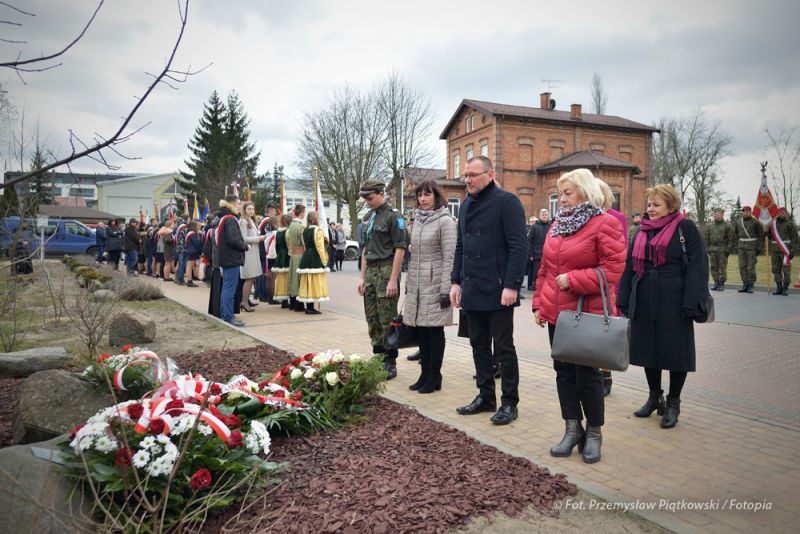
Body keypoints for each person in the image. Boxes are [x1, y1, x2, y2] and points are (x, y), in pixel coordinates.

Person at [532, 170, 626, 463]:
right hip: (557, 315)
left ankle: (594, 432)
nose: (561, 199)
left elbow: (613, 268)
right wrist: (538, 304)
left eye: (567, 193)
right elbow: (545, 268)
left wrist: (573, 280)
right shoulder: (558, 224)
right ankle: (572, 429)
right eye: (559, 193)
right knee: (563, 373)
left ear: (585, 192)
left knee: (587, 376)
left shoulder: (605, 223)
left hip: (587, 312)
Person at [617, 184, 709, 430]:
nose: (651, 209)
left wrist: (691, 301)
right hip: (644, 295)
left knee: (675, 352)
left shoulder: (685, 228)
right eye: (649, 204)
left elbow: (698, 265)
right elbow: (630, 266)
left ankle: (673, 402)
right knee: (648, 349)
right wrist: (623, 297)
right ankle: (654, 396)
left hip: (674, 299)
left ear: (671, 205)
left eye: (656, 204)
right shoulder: (641, 230)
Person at [450, 156, 527, 425]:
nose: (467, 180)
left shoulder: (507, 202)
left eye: (473, 175)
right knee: (478, 344)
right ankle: (485, 396)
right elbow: (461, 247)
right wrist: (456, 281)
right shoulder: (466, 204)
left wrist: (511, 285)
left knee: (504, 347)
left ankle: (509, 402)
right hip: (472, 287)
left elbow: (518, 247)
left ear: (490, 174)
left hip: (498, 289)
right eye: (465, 175)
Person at [403, 180, 456, 394]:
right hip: (417, 283)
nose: (423, 199)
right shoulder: (418, 220)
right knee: (422, 331)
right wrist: (409, 284)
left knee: (434, 331)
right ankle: (425, 374)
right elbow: (414, 256)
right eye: (420, 195)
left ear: (436, 195)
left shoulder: (445, 221)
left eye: (427, 194)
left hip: (436, 284)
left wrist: (445, 289)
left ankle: (434, 376)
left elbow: (449, 257)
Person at [356, 180, 407, 380]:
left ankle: (390, 361)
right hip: (370, 271)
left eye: (370, 198)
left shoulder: (394, 216)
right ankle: (378, 355)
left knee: (387, 319)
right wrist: (361, 277)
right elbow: (365, 249)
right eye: (365, 199)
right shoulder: (368, 217)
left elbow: (400, 249)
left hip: (386, 270)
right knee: (372, 318)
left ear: (380, 194)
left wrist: (393, 279)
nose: (367, 202)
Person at [596, 179, 629, 397]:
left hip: (609, 281)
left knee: (605, 329)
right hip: (587, 279)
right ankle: (591, 372)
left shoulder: (617, 217)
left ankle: (606, 374)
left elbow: (620, 252)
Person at [216, 195, 247, 327]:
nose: (240, 206)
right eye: (239, 204)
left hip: (227, 257)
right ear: (232, 204)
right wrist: (245, 246)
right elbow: (233, 239)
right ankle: (227, 316)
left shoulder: (225, 217)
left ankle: (226, 314)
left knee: (227, 288)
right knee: (229, 289)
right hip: (231, 258)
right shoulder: (230, 219)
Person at [297, 211, 329, 313]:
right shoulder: (318, 231)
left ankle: (309, 306)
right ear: (315, 219)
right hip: (315, 257)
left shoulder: (304, 231)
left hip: (306, 256)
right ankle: (310, 308)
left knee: (307, 281)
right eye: (318, 218)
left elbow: (304, 245)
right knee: (314, 282)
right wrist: (324, 261)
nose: (319, 219)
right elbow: (320, 247)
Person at [238, 201, 266, 312]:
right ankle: (244, 302)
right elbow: (244, 239)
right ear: (244, 210)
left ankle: (246, 300)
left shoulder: (251, 221)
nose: (251, 211)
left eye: (252, 209)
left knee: (252, 277)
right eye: (249, 209)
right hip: (248, 253)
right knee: (249, 278)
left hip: (254, 252)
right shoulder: (243, 222)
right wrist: (259, 239)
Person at [702, 207, 735, 291]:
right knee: (713, 267)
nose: (716, 215)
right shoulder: (709, 225)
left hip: (722, 250)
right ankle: (716, 282)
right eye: (715, 214)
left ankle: (721, 283)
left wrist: (728, 250)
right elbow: (706, 238)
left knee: (722, 267)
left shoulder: (727, 225)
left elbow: (731, 239)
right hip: (712, 249)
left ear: (722, 215)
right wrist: (707, 249)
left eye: (717, 214)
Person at [734, 206, 764, 293]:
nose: (745, 213)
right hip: (741, 247)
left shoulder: (756, 222)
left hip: (752, 247)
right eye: (744, 211)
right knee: (742, 266)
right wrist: (736, 246)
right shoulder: (738, 222)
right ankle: (745, 284)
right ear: (742, 212)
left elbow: (761, 235)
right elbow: (735, 234)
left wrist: (759, 247)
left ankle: (751, 285)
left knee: (751, 267)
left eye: (747, 211)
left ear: (750, 212)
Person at [769, 207, 798, 295]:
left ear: (786, 214)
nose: (781, 214)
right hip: (775, 250)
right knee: (775, 269)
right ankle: (779, 287)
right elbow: (770, 236)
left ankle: (785, 288)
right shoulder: (773, 224)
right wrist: (766, 232)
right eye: (779, 213)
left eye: (783, 213)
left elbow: (795, 239)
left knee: (786, 270)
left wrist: (792, 251)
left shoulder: (790, 224)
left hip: (786, 250)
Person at [287, 205, 307, 312]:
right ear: (302, 213)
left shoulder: (291, 225)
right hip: (300, 254)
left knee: (293, 278)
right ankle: (298, 304)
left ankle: (292, 302)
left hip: (293, 254)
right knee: (298, 279)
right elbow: (304, 242)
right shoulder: (301, 227)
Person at [271, 213, 292, 306]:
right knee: (287, 278)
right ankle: (286, 299)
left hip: (280, 255)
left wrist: (279, 255)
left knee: (280, 278)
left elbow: (276, 246)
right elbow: (290, 246)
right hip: (287, 255)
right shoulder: (288, 232)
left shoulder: (278, 232)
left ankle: (283, 300)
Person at [527, 209, 551, 291]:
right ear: (540, 216)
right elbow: (529, 241)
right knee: (536, 271)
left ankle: (545, 286)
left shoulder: (550, 226)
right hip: (537, 254)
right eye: (543, 215)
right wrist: (530, 254)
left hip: (548, 254)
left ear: (548, 216)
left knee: (547, 271)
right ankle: (535, 285)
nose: (544, 216)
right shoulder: (534, 226)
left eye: (546, 215)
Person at [184, 220, 202, 287]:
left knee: (189, 266)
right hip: (193, 251)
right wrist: (200, 251)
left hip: (189, 250)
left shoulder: (189, 232)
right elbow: (196, 243)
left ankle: (189, 280)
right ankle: (189, 281)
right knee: (190, 266)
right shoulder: (192, 233)